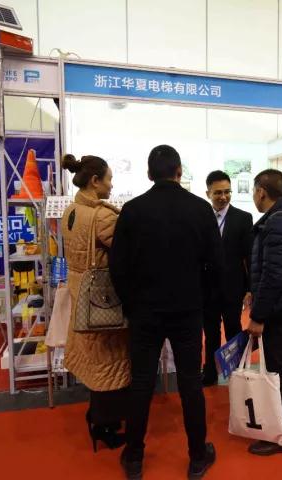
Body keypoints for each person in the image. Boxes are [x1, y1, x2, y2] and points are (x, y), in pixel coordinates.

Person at [109, 145, 221, 479]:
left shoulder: (132, 210)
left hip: (145, 311)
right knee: (190, 383)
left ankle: (134, 457)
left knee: (141, 383)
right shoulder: (200, 209)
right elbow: (215, 265)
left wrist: (131, 304)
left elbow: (118, 266)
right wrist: (201, 301)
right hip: (187, 311)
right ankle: (197, 456)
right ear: (179, 172)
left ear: (149, 174)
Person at [60, 154, 129, 451]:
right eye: (109, 179)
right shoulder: (103, 216)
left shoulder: (71, 210)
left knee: (92, 358)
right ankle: (105, 425)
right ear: (95, 181)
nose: (111, 185)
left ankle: (97, 417)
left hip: (80, 292)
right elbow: (129, 250)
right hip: (102, 298)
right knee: (108, 359)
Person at [247, 169, 282, 456]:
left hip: (279, 310)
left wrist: (258, 316)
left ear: (261, 191)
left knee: (280, 372)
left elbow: (273, 275)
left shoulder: (277, 223)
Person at [202, 170, 253, 387]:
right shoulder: (201, 217)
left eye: (227, 192)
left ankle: (237, 372)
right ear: (208, 193)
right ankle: (210, 372)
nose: (223, 197)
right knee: (210, 332)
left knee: (233, 330)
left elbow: (249, 256)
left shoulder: (243, 218)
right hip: (207, 288)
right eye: (218, 193)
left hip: (233, 287)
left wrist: (250, 288)